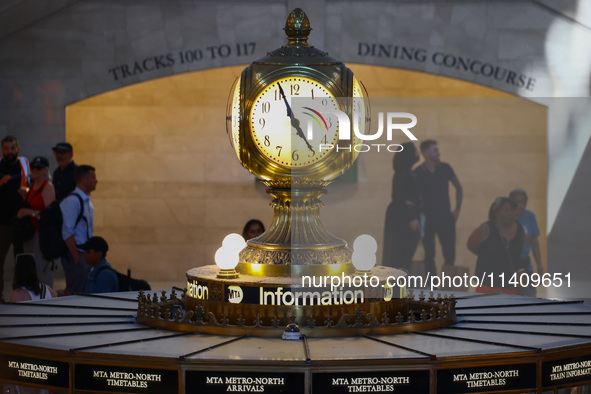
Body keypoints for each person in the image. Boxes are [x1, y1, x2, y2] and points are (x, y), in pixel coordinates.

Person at [414, 140, 462, 276]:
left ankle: (449, 283)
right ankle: (432, 285)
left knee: (450, 252)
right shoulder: (418, 172)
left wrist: (457, 209)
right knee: (429, 253)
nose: (438, 153)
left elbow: (458, 187)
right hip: (427, 217)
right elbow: (414, 197)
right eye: (435, 150)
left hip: (445, 216)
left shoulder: (445, 168)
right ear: (426, 153)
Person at [467, 197, 526, 294]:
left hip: (510, 285)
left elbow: (519, 254)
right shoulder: (485, 229)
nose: (510, 213)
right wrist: (487, 255)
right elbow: (471, 245)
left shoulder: (520, 231)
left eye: (512, 210)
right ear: (496, 212)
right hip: (487, 284)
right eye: (506, 210)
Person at [16, 156, 56, 287]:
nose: (34, 170)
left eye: (38, 168)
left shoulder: (47, 187)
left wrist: (29, 212)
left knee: (41, 270)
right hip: (29, 233)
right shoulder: (32, 186)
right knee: (30, 269)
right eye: (32, 167)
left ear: (45, 170)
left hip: (41, 234)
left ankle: (47, 300)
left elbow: (49, 215)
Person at [382, 142, 421, 271]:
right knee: (400, 252)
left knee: (405, 253)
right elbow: (399, 198)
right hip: (402, 216)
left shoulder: (407, 173)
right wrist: (410, 218)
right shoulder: (402, 174)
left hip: (405, 213)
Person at [0, 135, 29, 302]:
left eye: (12, 148)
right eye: (6, 148)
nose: (9, 152)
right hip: (2, 222)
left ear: (17, 148)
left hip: (20, 223)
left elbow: (35, 181)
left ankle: (19, 294)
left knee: (21, 261)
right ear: (2, 150)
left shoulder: (24, 164)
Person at [60, 164, 97, 295]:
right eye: (93, 177)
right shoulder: (73, 200)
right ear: (83, 180)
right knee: (74, 291)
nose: (96, 181)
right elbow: (67, 231)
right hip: (76, 253)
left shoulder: (86, 201)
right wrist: (75, 255)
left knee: (81, 290)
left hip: (83, 254)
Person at [510, 188, 542, 296]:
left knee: (529, 297)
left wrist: (540, 265)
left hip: (525, 265)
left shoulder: (530, 216)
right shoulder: (507, 217)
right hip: (509, 266)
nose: (520, 204)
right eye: (516, 201)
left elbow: (535, 244)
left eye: (522, 201)